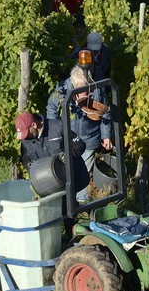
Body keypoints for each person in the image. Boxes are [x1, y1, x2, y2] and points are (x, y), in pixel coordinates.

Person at [46, 65, 114, 197]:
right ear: (75, 86)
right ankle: (67, 199)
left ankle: (81, 201)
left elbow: (105, 113)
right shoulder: (62, 90)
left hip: (89, 138)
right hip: (68, 139)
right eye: (83, 90)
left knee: (83, 172)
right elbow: (51, 109)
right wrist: (54, 129)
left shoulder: (96, 89)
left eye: (88, 88)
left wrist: (106, 136)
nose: (87, 93)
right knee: (67, 170)